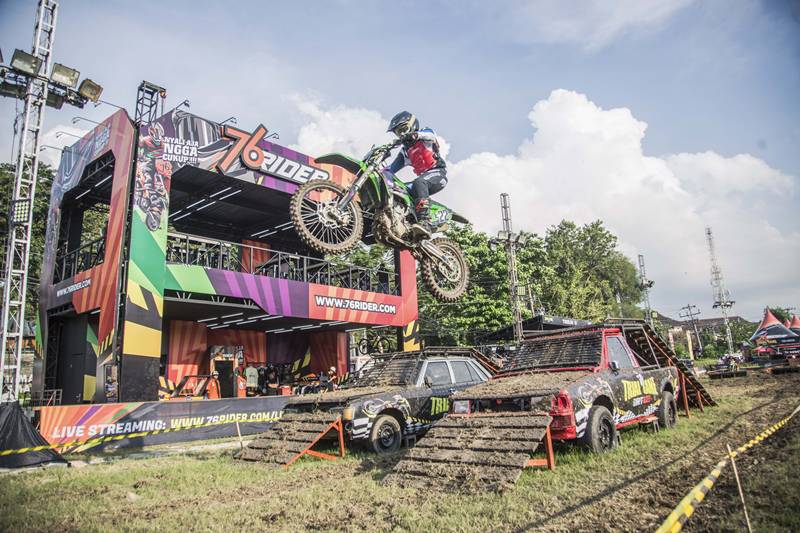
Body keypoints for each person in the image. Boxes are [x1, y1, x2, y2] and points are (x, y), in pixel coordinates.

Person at [386, 111, 447, 236]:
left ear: (412, 125)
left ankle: (425, 221)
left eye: (403, 130)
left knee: (419, 182)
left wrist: (415, 135)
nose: (401, 134)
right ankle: (406, 222)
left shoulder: (425, 135)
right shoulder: (405, 152)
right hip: (423, 179)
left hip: (438, 173)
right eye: (398, 132)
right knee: (399, 189)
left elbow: (430, 135)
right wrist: (378, 171)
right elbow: (391, 169)